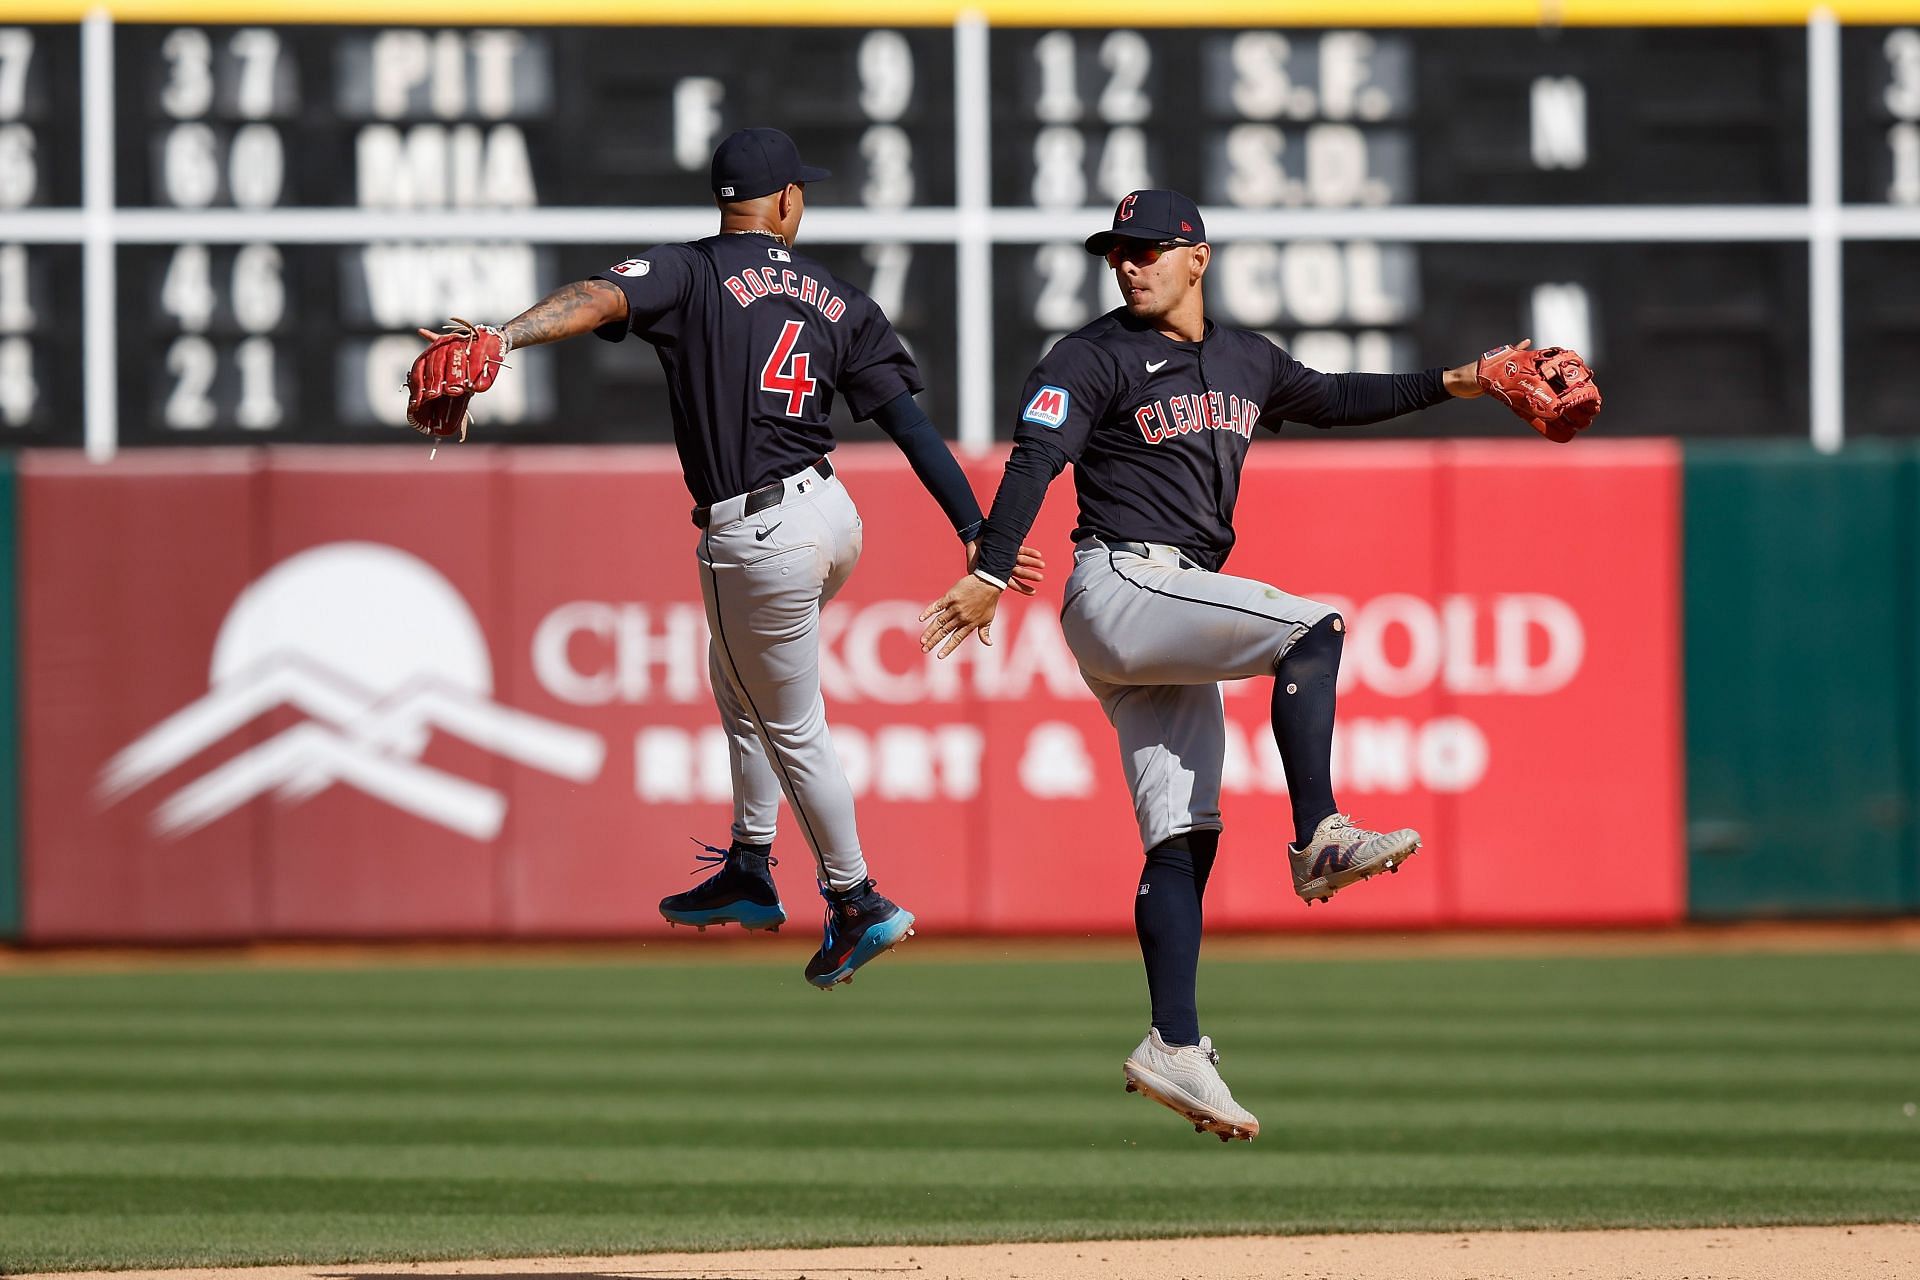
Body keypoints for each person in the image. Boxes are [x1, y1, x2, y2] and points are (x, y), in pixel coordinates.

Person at [918, 189, 1594, 1139]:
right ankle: (1319, 833)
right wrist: (991, 566)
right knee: (1311, 627)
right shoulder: (1090, 355)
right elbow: (1035, 458)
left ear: (1198, 256)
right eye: (1119, 251)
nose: (1129, 263)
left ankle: (1175, 1046)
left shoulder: (1246, 359)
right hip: (1122, 582)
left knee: (1183, 836)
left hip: (1162, 613)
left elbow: (1337, 397)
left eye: (1148, 249)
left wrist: (1466, 380)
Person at [418, 127, 1040, 988]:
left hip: (758, 532)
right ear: (786, 200)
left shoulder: (694, 268)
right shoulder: (834, 294)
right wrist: (975, 527)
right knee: (738, 680)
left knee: (788, 719)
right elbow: (908, 424)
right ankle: (751, 865)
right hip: (831, 515)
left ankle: (856, 898)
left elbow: (597, 297)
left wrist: (506, 339)